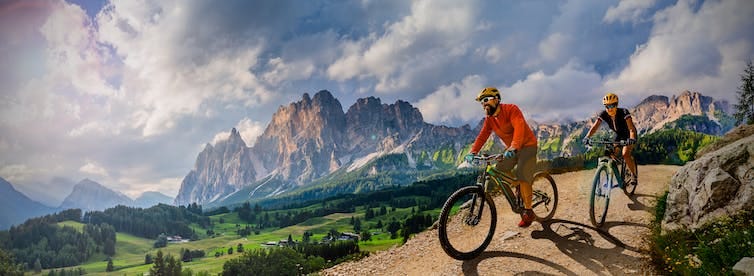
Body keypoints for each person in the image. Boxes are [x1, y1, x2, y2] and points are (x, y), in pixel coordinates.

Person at [465, 87, 539, 227]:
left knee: (523, 175)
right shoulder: (490, 119)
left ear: (497, 99)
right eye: (482, 102)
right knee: (498, 170)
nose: (484, 104)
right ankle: (517, 198)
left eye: (486, 100)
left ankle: (529, 212)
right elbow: (482, 136)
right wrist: (472, 152)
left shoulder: (511, 109)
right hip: (512, 149)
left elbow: (519, 127)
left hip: (527, 146)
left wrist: (514, 146)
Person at [582, 92, 639, 185]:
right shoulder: (604, 114)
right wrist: (587, 137)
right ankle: (611, 178)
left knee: (625, 154)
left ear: (616, 105)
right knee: (611, 153)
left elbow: (631, 128)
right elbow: (595, 127)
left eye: (612, 105)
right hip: (619, 135)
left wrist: (631, 139)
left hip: (629, 135)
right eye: (607, 106)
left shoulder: (624, 112)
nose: (610, 109)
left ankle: (633, 175)